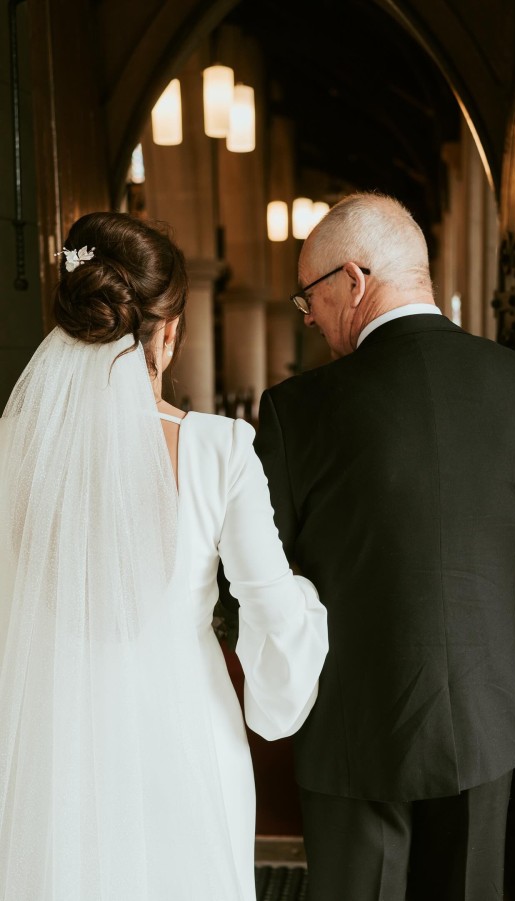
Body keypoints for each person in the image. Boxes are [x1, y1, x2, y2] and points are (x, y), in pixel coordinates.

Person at [254, 192, 515, 901]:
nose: (307, 314)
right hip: (487, 716)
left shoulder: (296, 411)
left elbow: (259, 574)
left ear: (354, 279)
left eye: (308, 294)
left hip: (349, 726)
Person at [0, 212, 328, 901]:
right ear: (170, 334)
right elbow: (275, 616)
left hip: (53, 744)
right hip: (185, 738)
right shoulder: (220, 449)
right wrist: (304, 617)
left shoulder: (12, 449)